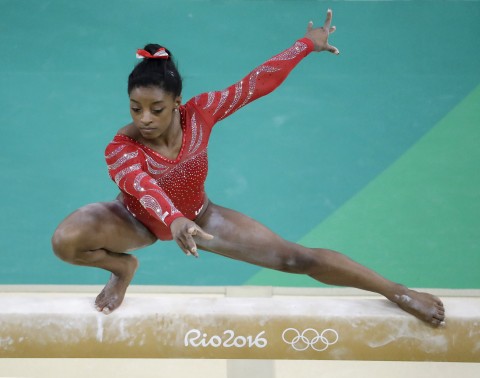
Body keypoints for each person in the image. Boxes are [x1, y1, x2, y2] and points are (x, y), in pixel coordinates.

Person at [51, 10, 445, 326]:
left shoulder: (200, 113)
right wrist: (172, 220)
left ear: (177, 102)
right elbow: (142, 187)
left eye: (157, 108)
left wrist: (306, 44)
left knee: (297, 259)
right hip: (135, 220)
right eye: (136, 109)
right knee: (66, 241)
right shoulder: (121, 148)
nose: (146, 119)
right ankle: (122, 268)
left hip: (200, 217)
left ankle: (398, 292)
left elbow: (257, 82)